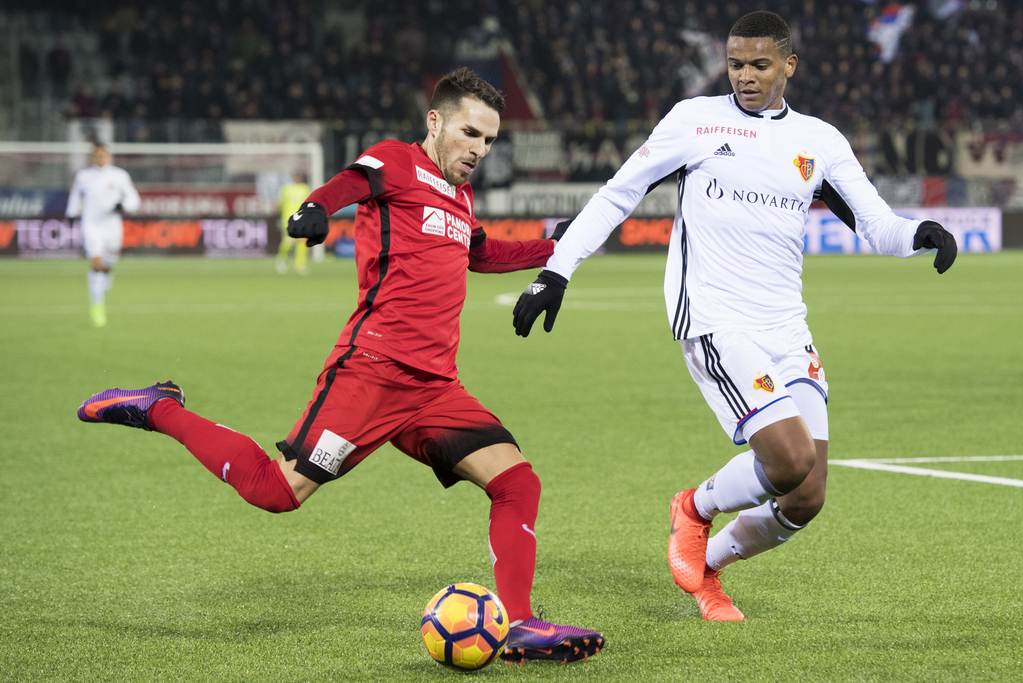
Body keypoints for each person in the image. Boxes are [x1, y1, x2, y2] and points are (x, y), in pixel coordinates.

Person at [77, 68, 601, 664]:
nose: (480, 149)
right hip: (372, 373)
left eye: (489, 140)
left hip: (433, 388)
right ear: (435, 122)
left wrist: (556, 247)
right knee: (276, 492)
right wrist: (315, 207)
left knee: (516, 482)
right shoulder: (397, 162)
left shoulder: (459, 195)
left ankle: (520, 625)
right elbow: (354, 180)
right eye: (470, 133)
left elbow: (480, 253)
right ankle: (160, 408)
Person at [511, 11, 957, 622]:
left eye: (760, 64)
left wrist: (921, 233)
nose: (745, 76)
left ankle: (709, 571)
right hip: (716, 318)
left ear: (788, 66)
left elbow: (874, 223)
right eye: (736, 64)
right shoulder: (694, 121)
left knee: (807, 495)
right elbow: (619, 191)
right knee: (789, 459)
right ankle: (693, 509)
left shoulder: (820, 141)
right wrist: (556, 269)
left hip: (786, 327)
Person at [66, 143, 141, 327]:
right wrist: (71, 213)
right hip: (92, 225)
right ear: (92, 157)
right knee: (97, 263)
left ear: (109, 156)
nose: (100, 158)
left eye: (103, 155)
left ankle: (104, 282)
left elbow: (134, 199)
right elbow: (76, 196)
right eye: (96, 155)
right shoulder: (83, 176)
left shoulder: (119, 175)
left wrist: (123, 206)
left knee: (108, 265)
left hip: (112, 227)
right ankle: (97, 306)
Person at [275, 170, 312, 274]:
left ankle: (299, 265)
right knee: (288, 242)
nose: (298, 178)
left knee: (301, 242)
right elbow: (279, 204)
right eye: (296, 176)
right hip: (288, 219)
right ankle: (281, 259)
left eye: (299, 176)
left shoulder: (305, 189)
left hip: (302, 219)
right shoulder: (286, 189)